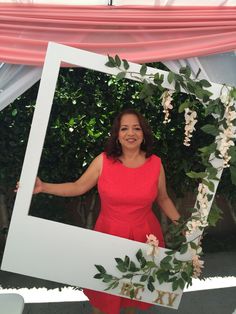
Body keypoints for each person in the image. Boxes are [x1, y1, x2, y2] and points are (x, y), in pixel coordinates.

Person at [26, 108, 181, 314]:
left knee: (132, 296)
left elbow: (163, 198)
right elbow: (78, 186)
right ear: (117, 134)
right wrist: (44, 187)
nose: (130, 133)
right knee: (104, 298)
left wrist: (186, 228)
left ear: (144, 134)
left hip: (145, 238)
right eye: (124, 128)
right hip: (108, 234)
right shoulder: (103, 161)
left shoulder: (155, 164)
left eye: (136, 128)